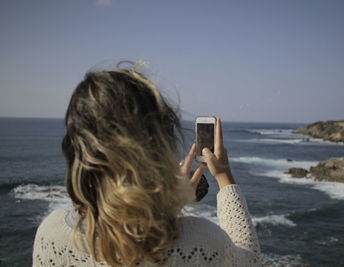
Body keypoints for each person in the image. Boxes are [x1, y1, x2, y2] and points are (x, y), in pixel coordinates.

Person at [32, 62, 261, 266]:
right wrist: (223, 175)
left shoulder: (51, 236)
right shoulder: (201, 240)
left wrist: (166, 206)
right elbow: (249, 260)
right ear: (159, 146)